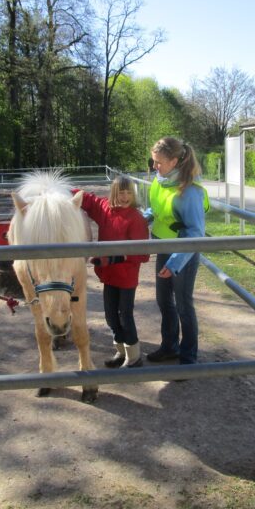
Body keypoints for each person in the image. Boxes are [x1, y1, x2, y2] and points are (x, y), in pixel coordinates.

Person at [145, 136, 208, 365]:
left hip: (183, 255)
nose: (155, 167)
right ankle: (169, 346)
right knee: (163, 300)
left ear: (174, 161)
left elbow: (195, 234)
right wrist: (140, 219)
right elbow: (155, 208)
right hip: (163, 247)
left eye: (159, 162)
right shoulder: (160, 181)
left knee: (183, 304)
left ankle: (188, 356)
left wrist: (174, 264)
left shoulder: (189, 191)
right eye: (154, 162)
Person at [77, 176, 149, 368]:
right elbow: (87, 199)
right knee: (110, 315)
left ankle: (134, 357)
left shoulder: (136, 219)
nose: (125, 197)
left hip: (126, 277)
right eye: (120, 193)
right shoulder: (105, 209)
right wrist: (58, 192)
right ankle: (121, 351)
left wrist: (113, 259)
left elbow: (142, 254)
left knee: (125, 315)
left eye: (128, 193)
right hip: (109, 276)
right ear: (114, 193)